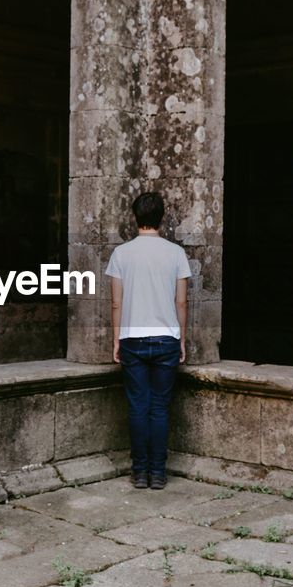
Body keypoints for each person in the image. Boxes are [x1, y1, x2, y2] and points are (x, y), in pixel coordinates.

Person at [105, 191, 191, 490]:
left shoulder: (121, 254)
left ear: (135, 217)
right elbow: (181, 303)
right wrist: (180, 339)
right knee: (160, 408)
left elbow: (117, 303)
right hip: (166, 338)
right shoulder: (176, 253)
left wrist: (117, 340)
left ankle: (139, 472)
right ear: (161, 218)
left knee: (138, 407)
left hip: (133, 339)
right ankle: (159, 473)